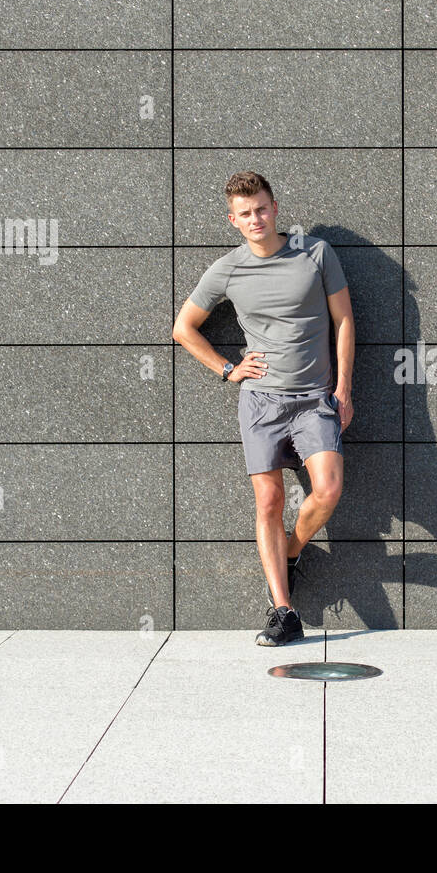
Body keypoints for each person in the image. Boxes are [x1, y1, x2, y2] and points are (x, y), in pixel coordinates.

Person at [172, 171, 354, 645]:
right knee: (270, 501)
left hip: (316, 398)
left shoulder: (315, 254)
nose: (256, 219)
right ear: (233, 219)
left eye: (262, 209)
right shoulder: (227, 269)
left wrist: (345, 388)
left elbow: (344, 321)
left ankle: (291, 549)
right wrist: (229, 369)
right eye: (245, 213)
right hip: (261, 402)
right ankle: (283, 610)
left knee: (329, 489)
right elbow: (183, 328)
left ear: (275, 207)